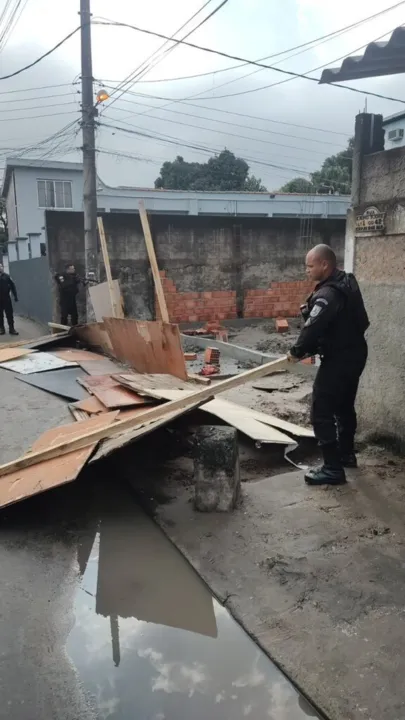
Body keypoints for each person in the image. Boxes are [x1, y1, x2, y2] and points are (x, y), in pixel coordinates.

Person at [287, 244, 369, 486]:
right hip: (355, 353)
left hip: (339, 359)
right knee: (344, 406)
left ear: (325, 264)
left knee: (321, 410)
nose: (307, 270)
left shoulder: (328, 295)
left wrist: (296, 352)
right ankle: (346, 455)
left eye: (310, 266)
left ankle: (333, 468)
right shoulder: (346, 281)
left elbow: (313, 328)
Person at [0, 263, 18, 335]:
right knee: (0, 315)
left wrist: (15, 296)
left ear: (2, 267)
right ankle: (1, 328)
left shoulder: (7, 276)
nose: (0, 268)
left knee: (9, 314)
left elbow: (13, 286)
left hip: (6, 298)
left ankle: (12, 328)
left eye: (1, 266)